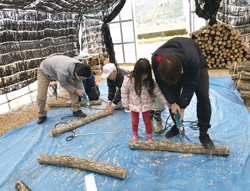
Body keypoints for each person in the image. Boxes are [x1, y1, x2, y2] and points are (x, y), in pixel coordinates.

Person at [151, 37, 214, 149]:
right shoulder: (156, 60)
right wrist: (173, 103)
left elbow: (190, 84)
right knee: (172, 97)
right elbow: (162, 83)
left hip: (198, 65)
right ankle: (177, 125)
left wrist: (183, 106)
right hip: (174, 66)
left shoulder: (192, 59)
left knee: (203, 95)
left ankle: (203, 133)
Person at [121, 58, 169, 141]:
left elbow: (158, 92)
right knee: (135, 122)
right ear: (137, 71)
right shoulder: (128, 80)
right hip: (133, 104)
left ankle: (149, 136)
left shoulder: (149, 81)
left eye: (146, 74)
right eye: (141, 74)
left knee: (147, 121)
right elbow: (124, 92)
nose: (144, 77)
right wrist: (125, 104)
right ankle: (135, 135)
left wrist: (166, 102)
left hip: (146, 104)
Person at [36, 55, 91, 124]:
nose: (82, 80)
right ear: (76, 73)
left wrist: (83, 94)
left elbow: (78, 81)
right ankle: (42, 115)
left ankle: (76, 110)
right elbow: (64, 84)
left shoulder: (79, 67)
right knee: (41, 96)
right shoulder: (63, 71)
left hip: (57, 70)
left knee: (73, 88)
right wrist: (77, 90)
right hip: (45, 72)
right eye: (82, 78)